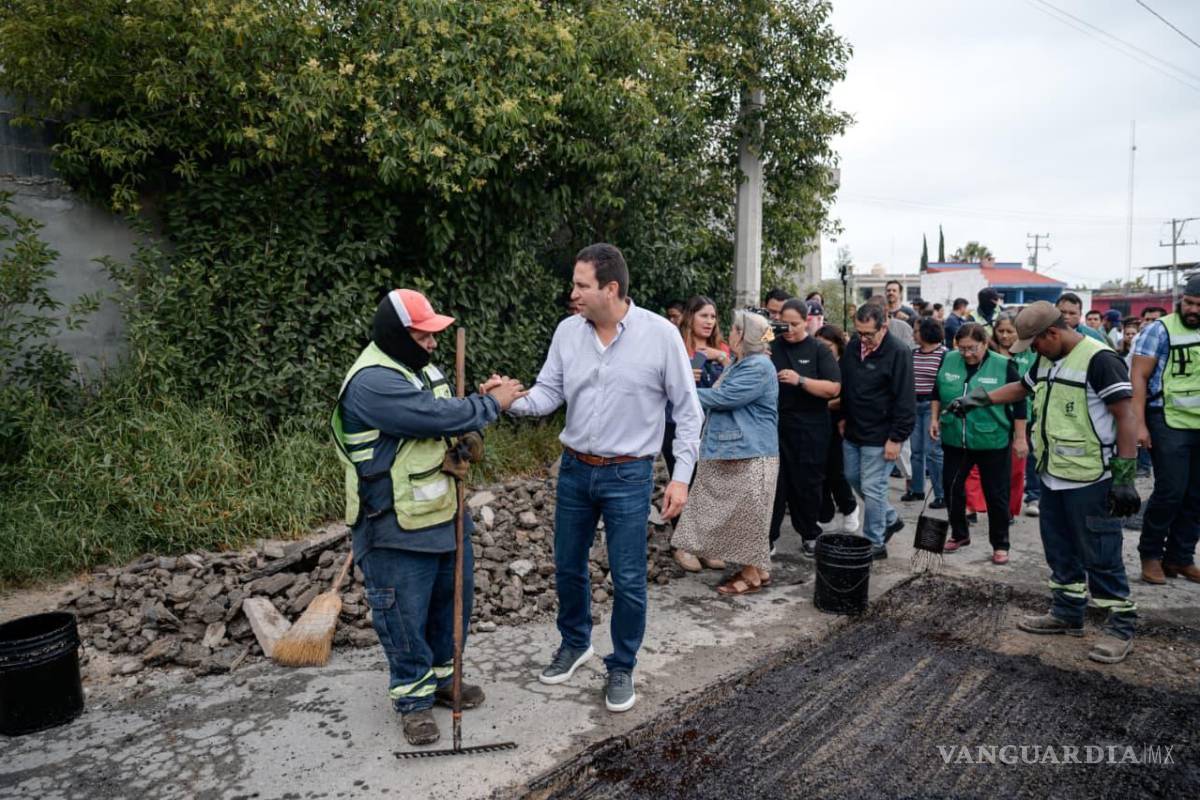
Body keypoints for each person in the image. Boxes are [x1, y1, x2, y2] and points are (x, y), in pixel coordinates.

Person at [509, 243, 703, 713]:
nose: (572, 293)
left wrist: (680, 478)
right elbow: (547, 395)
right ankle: (575, 643)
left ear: (610, 288)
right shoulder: (567, 333)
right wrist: (505, 400)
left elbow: (688, 412)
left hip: (629, 474)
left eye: (581, 285)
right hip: (574, 469)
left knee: (629, 576)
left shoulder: (659, 335)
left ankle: (622, 664)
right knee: (568, 566)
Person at [332, 288, 525, 746]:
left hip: (444, 513)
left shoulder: (423, 368)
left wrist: (469, 426)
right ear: (397, 337)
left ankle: (443, 680)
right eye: (423, 337)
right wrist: (491, 405)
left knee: (450, 607)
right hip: (393, 524)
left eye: (435, 336)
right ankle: (414, 701)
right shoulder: (372, 382)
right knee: (403, 617)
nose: (434, 344)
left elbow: (447, 418)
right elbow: (430, 416)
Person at [949, 301, 1140, 664]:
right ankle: (1067, 612)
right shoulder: (1048, 358)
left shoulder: (1100, 360)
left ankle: (1120, 625)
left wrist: (1125, 478)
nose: (1031, 351)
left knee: (1100, 553)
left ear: (1052, 333)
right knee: (1059, 549)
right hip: (1053, 474)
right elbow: (1022, 388)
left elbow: (1125, 416)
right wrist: (975, 399)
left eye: (1034, 343)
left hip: (1091, 479)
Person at [673, 311, 780, 594]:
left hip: (750, 453)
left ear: (744, 336)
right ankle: (758, 569)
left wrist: (679, 391)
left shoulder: (757, 366)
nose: (729, 332)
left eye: (734, 329)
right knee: (747, 516)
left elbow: (724, 398)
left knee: (746, 518)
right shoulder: (743, 362)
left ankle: (750, 575)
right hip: (743, 451)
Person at [931, 323, 1026, 564]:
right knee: (951, 487)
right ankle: (960, 533)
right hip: (955, 438)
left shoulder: (1003, 365)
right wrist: (934, 419)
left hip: (991, 439)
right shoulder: (949, 359)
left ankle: (1001, 544)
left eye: (972, 348)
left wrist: (1020, 437)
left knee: (996, 495)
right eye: (961, 349)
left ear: (984, 343)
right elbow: (936, 392)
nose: (967, 354)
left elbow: (1020, 403)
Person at [1131, 276, 1200, 585]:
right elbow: (1139, 378)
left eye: (1199, 305)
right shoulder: (1159, 330)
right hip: (1166, 419)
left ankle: (1180, 557)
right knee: (1170, 491)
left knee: (1196, 495)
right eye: (1189, 303)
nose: (1193, 309)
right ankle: (1151, 556)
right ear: (1180, 300)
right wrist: (1140, 424)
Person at [840, 303, 915, 559]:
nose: (863, 339)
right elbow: (847, 383)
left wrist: (896, 438)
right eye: (859, 332)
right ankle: (890, 517)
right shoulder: (853, 347)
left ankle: (875, 541)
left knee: (873, 487)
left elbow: (905, 400)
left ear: (884, 326)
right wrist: (843, 417)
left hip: (881, 434)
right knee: (852, 477)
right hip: (853, 430)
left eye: (868, 333)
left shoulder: (899, 352)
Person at [767, 299, 842, 557]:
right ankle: (767, 538)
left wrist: (801, 380)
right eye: (783, 323)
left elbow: (833, 388)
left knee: (807, 483)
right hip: (776, 425)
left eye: (795, 324)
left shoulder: (819, 349)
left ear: (807, 321)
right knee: (774, 484)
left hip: (811, 427)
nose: (788, 328)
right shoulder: (770, 347)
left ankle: (809, 532)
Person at [670, 295, 732, 572]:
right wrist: (682, 377)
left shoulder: (722, 349)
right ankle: (682, 544)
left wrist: (723, 358)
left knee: (709, 484)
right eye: (704, 315)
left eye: (713, 316)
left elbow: (740, 379)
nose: (709, 321)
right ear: (690, 317)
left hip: (714, 426)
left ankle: (705, 544)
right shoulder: (676, 347)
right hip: (677, 424)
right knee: (685, 480)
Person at [814, 325, 860, 533]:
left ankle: (849, 507)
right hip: (816, 424)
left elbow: (849, 397)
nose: (822, 349)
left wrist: (827, 403)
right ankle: (825, 513)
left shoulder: (847, 365)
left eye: (827, 346)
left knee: (837, 472)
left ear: (838, 345)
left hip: (840, 424)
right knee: (818, 472)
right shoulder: (815, 363)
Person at [905, 317, 946, 507]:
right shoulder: (912, 354)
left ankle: (941, 494)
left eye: (916, 331)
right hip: (914, 404)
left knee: (933, 452)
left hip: (933, 406)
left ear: (926, 332)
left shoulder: (944, 354)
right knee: (916, 451)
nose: (913, 334)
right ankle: (917, 489)